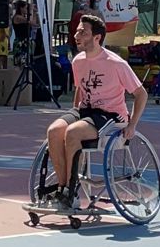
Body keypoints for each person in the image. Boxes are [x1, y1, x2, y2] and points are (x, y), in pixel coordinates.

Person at [36, 12, 146, 209]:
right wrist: (74, 113)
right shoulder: (78, 61)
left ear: (97, 38)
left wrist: (132, 125)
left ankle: (71, 190)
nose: (77, 36)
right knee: (54, 131)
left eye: (83, 33)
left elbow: (141, 94)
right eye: (77, 32)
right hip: (86, 110)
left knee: (73, 132)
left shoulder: (116, 64)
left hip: (111, 115)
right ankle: (64, 188)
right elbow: (80, 89)